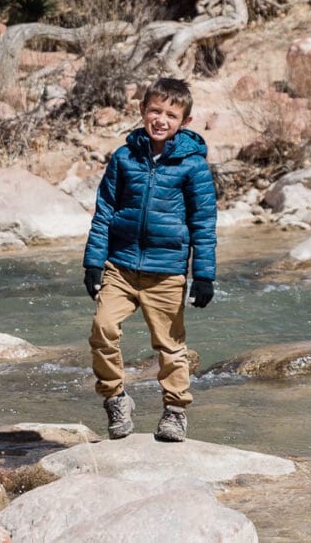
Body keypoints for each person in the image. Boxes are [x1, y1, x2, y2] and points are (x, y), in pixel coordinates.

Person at [82, 77, 217, 443]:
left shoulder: (193, 166)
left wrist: (203, 274)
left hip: (167, 271)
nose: (161, 119)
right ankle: (115, 399)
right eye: (155, 110)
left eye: (171, 115)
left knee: (170, 347)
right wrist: (93, 263)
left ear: (184, 122)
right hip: (121, 266)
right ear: (142, 111)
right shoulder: (124, 158)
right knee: (103, 330)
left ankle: (175, 411)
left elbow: (203, 222)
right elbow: (105, 211)